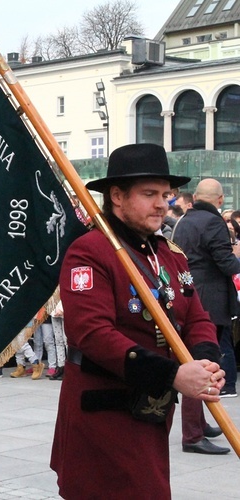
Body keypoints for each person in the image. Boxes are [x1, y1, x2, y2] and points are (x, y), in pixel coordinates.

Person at [51, 144, 225, 498]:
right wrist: (173, 374)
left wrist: (206, 360)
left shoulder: (169, 255)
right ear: (117, 196)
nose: (162, 203)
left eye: (166, 194)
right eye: (149, 194)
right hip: (104, 413)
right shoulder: (90, 250)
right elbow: (92, 334)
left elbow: (196, 317)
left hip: (151, 412)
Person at [172, 178, 240, 455]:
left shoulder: (183, 221)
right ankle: (193, 435)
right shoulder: (213, 223)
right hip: (209, 301)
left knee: (195, 358)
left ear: (195, 197)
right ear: (220, 200)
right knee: (203, 365)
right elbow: (225, 262)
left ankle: (199, 422)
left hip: (188, 296)